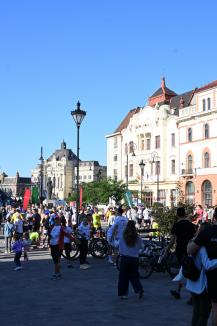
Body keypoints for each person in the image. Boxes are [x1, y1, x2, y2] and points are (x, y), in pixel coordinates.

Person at [188, 207, 217, 326]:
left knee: (210, 309)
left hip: (210, 280)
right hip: (203, 282)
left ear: (214, 217)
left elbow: (189, 250)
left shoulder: (206, 234)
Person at [169, 206, 196, 299]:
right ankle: (185, 293)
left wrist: (168, 248)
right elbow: (195, 237)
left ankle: (189, 294)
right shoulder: (190, 225)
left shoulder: (176, 225)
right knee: (187, 270)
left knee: (184, 270)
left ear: (177, 215)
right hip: (190, 249)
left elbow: (172, 239)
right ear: (185, 214)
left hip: (180, 250)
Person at [118, 220, 144, 299]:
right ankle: (139, 289)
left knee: (123, 276)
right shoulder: (137, 237)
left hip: (125, 258)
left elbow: (120, 247)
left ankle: (123, 294)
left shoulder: (123, 236)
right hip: (134, 258)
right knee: (134, 275)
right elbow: (141, 247)